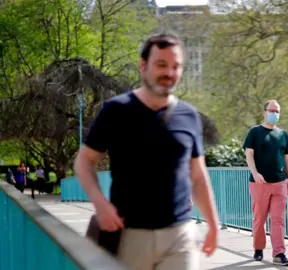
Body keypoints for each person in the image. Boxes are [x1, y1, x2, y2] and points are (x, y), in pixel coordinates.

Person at [74, 32, 220, 270]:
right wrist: (100, 203)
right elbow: (84, 161)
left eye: (176, 66)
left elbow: (198, 174)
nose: (169, 73)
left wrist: (213, 224)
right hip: (130, 233)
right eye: (161, 64)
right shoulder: (116, 111)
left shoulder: (189, 115)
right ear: (144, 66)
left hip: (180, 234)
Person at [243, 100, 288, 266]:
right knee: (260, 219)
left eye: (277, 111)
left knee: (278, 219)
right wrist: (255, 173)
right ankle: (258, 249)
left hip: (280, 183)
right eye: (272, 110)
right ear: (264, 112)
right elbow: (249, 155)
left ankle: (279, 253)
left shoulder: (282, 134)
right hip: (260, 183)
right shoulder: (255, 132)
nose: (275, 114)